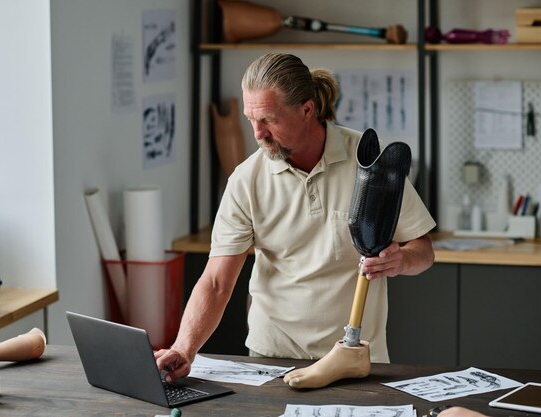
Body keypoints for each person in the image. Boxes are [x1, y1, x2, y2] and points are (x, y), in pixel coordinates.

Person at [155, 53, 436, 384]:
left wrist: (401, 261)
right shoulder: (246, 181)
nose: (258, 134)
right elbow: (216, 283)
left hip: (356, 358)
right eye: (251, 120)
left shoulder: (369, 160)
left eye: (269, 120)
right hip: (272, 358)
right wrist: (184, 349)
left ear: (307, 110)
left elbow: (423, 251)